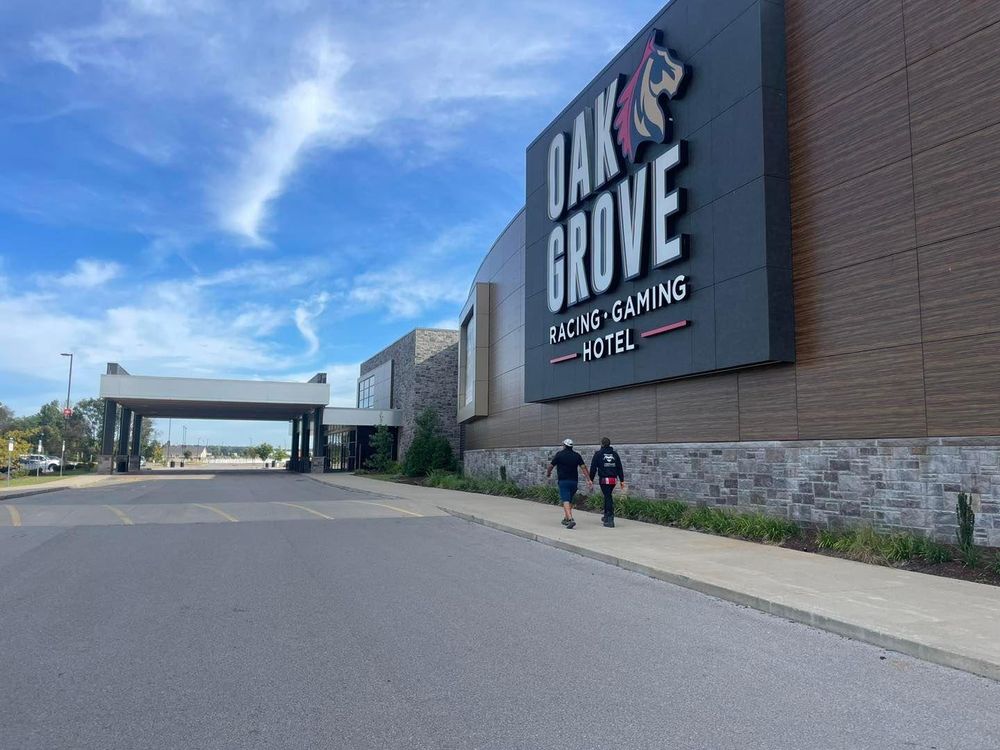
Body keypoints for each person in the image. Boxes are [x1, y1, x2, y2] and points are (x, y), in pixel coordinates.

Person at [546, 438, 591, 529]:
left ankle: (570, 519)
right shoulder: (577, 455)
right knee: (569, 500)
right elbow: (583, 467)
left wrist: (548, 473)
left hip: (564, 481)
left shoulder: (559, 455)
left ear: (564, 445)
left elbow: (551, 466)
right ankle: (566, 519)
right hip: (574, 482)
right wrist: (588, 479)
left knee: (565, 500)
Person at [590, 437, 626, 528]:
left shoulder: (598, 454)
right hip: (613, 480)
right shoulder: (615, 454)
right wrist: (622, 480)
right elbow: (619, 468)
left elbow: (593, 468)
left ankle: (610, 518)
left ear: (602, 444)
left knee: (608, 497)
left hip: (604, 479)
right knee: (607, 496)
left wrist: (591, 479)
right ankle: (606, 516)